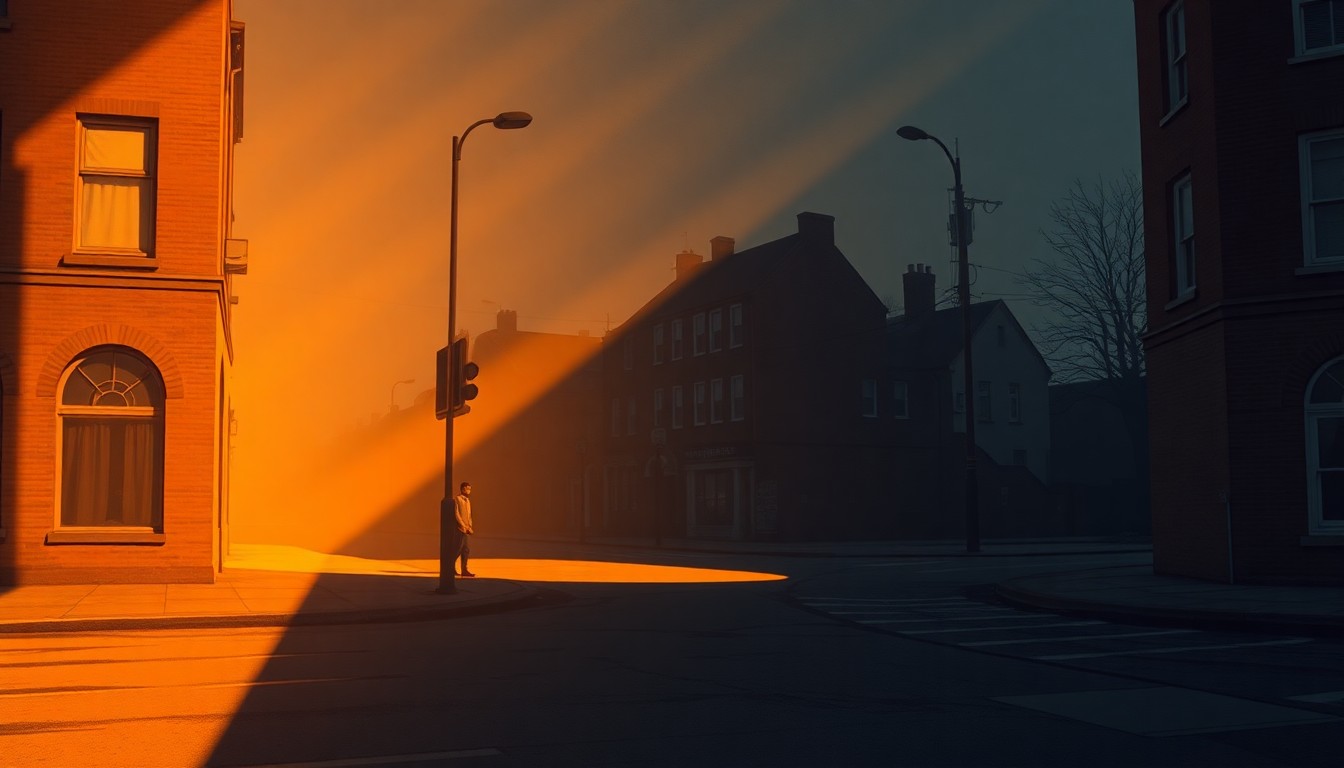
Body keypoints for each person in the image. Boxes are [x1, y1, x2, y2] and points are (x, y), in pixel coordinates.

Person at [453, 481, 475, 577]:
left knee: (466, 549)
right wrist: (463, 525)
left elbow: (469, 515)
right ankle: (449, 566)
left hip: (466, 528)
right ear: (462, 489)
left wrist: (470, 526)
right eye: (467, 488)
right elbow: (457, 514)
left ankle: (464, 569)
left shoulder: (468, 500)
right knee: (458, 548)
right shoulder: (457, 499)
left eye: (470, 489)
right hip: (459, 528)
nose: (469, 490)